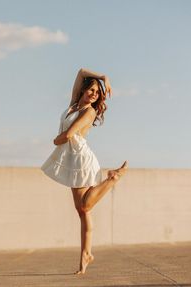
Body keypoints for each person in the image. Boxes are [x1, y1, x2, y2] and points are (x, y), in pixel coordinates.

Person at [41, 68, 128, 275]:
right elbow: (80, 72)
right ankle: (86, 255)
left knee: (85, 206)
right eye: (91, 90)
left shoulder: (89, 111)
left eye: (97, 93)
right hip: (72, 159)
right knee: (82, 211)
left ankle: (112, 179)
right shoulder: (73, 105)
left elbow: (69, 135)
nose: (94, 94)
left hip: (81, 159)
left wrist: (55, 140)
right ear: (82, 90)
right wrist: (103, 77)